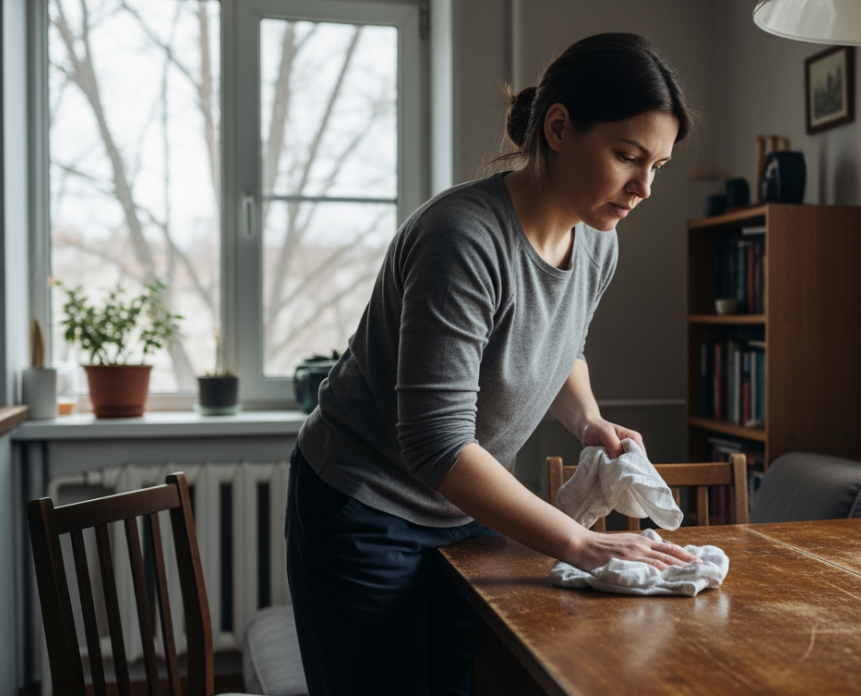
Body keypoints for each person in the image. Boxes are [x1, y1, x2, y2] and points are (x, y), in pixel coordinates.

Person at [284, 32, 696, 696]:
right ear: (558, 127)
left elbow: (562, 346)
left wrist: (587, 420)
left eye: (659, 166)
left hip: (458, 510)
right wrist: (582, 542)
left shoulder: (596, 242)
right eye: (627, 156)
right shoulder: (464, 237)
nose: (644, 187)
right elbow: (436, 442)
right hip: (364, 504)